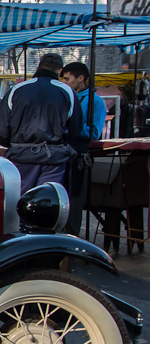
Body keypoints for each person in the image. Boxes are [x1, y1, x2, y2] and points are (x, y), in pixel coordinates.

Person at [0, 53, 83, 193]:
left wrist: (14, 145)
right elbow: (76, 129)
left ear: (38, 67)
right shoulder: (67, 92)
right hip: (54, 158)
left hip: (21, 156)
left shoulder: (17, 90)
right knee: (48, 201)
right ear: (59, 71)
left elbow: (0, 130)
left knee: (20, 201)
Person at [59, 61, 107, 236]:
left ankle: (71, 244)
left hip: (78, 158)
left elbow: (94, 132)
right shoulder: (65, 97)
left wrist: (72, 127)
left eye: (67, 79)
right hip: (60, 156)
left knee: (73, 203)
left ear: (81, 78)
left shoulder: (96, 102)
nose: (63, 82)